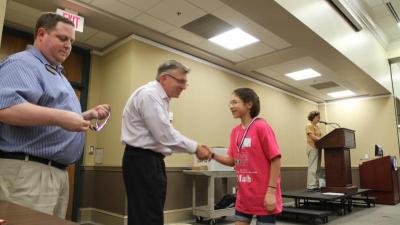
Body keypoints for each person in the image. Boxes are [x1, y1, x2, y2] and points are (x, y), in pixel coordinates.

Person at [0, 12, 111, 218]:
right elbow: (6, 109)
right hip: (28, 172)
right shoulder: (23, 64)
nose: (68, 45)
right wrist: (61, 117)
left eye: (71, 40)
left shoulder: (56, 72)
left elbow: (54, 114)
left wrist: (86, 115)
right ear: (41, 34)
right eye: (62, 38)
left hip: (56, 173)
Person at [121, 60, 211, 225]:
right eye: (181, 81)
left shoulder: (158, 97)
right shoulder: (150, 95)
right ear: (164, 78)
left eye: (185, 82)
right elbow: (165, 135)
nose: (184, 86)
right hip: (143, 161)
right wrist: (196, 147)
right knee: (148, 215)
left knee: (146, 212)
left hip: (146, 161)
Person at [211, 88, 282, 225]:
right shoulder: (235, 132)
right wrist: (212, 154)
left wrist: (271, 192)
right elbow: (232, 160)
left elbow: (276, 159)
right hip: (244, 196)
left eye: (235, 102)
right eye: (230, 103)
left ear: (249, 104)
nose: (231, 107)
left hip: (265, 194)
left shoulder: (262, 126)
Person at [305, 110, 323, 192]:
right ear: (313, 117)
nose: (319, 119)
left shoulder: (318, 127)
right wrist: (321, 140)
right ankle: (311, 186)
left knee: (317, 167)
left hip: (318, 147)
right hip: (312, 147)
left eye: (319, 117)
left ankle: (315, 185)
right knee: (313, 167)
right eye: (318, 117)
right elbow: (313, 137)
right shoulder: (309, 126)